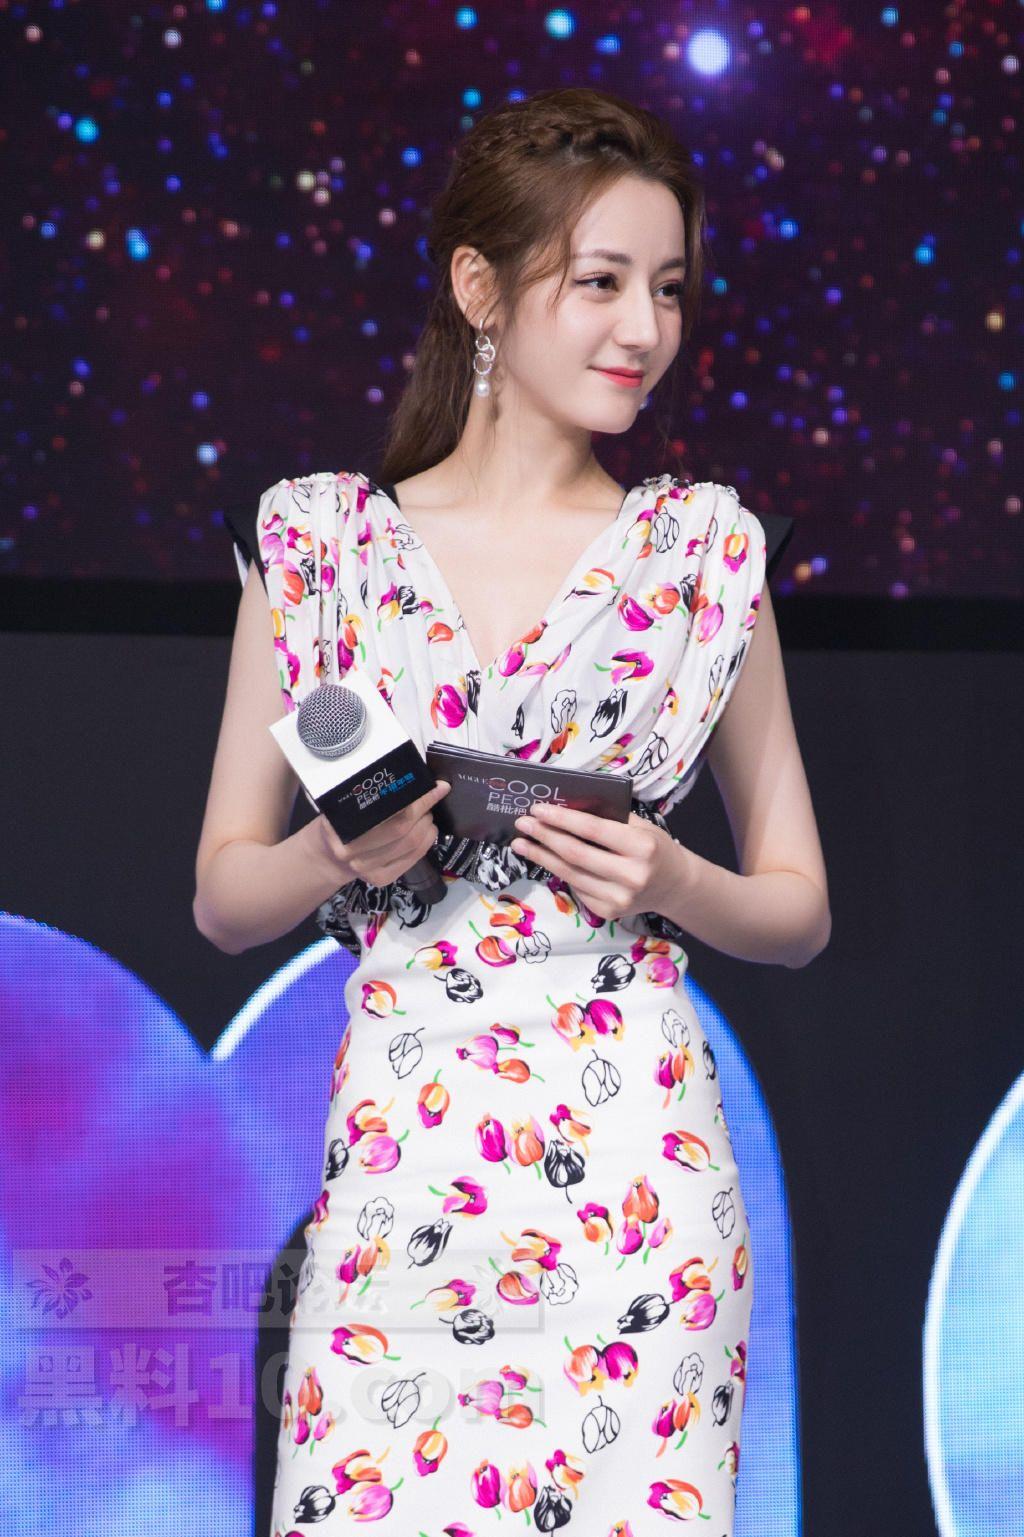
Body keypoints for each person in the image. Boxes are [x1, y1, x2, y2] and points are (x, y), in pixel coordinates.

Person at [196, 86, 829, 1537]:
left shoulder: (701, 555)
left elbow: (798, 909)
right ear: (480, 290)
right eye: (599, 282)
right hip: (406, 1158)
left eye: (668, 288)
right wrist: (334, 850)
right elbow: (223, 896)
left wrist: (671, 877)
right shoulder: (321, 547)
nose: (642, 328)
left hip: (639, 1181)